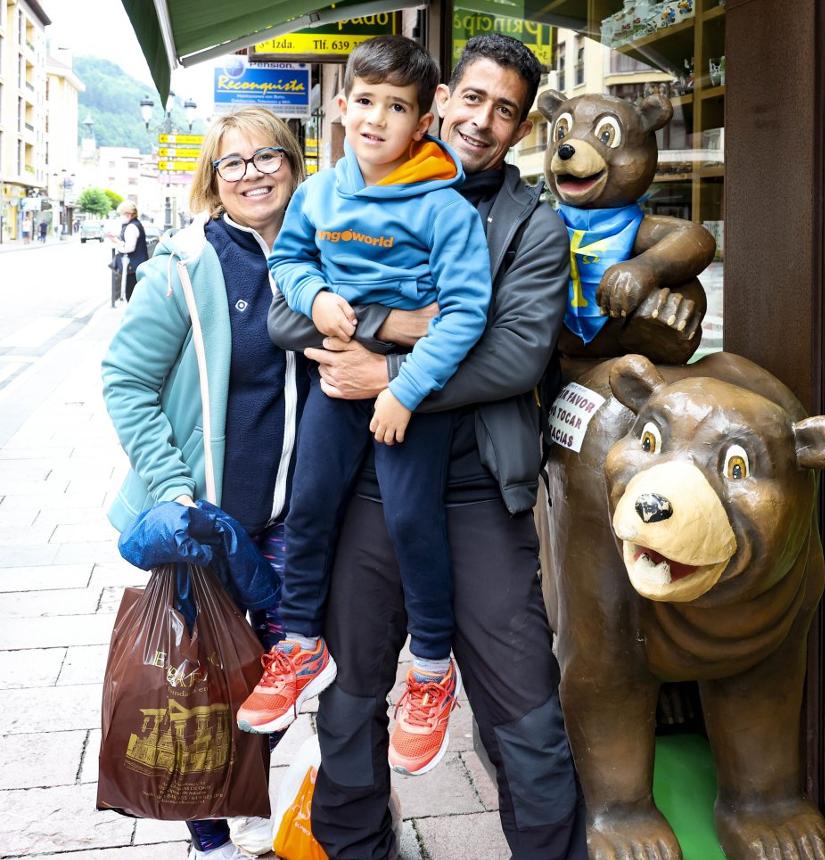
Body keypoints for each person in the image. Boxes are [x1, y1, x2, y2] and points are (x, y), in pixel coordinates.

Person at [268, 33, 586, 860]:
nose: (484, 120)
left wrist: (391, 374)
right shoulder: (355, 190)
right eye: (473, 98)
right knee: (349, 694)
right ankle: (356, 848)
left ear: (520, 130)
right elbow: (285, 311)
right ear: (442, 99)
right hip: (371, 483)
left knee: (526, 711)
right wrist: (386, 329)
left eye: (506, 110)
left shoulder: (536, 229)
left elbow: (516, 354)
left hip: (480, 489)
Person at [240, 36, 492, 783]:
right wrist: (315, 295)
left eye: (398, 107)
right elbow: (287, 260)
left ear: (422, 123)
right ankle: (298, 641)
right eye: (366, 101)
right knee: (309, 503)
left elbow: (466, 312)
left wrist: (406, 389)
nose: (377, 118)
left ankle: (433, 667)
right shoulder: (319, 193)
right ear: (342, 105)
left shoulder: (444, 208)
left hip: (413, 395)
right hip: (335, 386)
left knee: (415, 520)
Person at [101, 107, 309, 860]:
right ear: (213, 182)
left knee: (292, 668)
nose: (253, 172)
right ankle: (211, 835)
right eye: (234, 163)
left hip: (296, 514)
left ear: (293, 163)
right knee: (203, 678)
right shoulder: (186, 265)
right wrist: (173, 488)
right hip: (210, 520)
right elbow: (125, 378)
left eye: (267, 157)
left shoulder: (322, 256)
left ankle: (241, 789)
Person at [109, 201, 148, 304]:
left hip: (133, 268)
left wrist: (117, 243)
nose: (121, 216)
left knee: (131, 296)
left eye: (121, 214)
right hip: (139, 265)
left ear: (128, 214)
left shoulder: (131, 227)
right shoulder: (136, 224)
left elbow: (130, 248)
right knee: (136, 296)